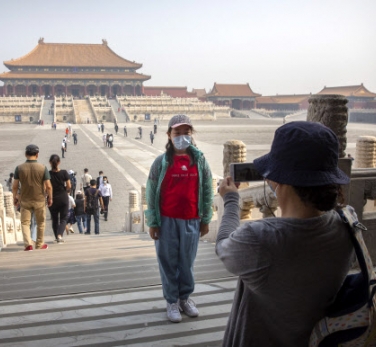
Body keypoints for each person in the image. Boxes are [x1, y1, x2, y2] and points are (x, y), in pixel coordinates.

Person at [216, 121, 354, 346]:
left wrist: (231, 200)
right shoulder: (347, 221)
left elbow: (222, 246)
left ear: (277, 179)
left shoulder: (260, 239)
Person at [145, 114, 214, 323]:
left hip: (192, 218)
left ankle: (185, 298)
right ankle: (171, 300)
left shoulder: (200, 160)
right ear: (169, 135)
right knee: (168, 262)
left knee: (187, 261)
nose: (182, 137)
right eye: (177, 133)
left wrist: (206, 218)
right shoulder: (161, 162)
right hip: (166, 220)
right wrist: (153, 222)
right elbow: (151, 190)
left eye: (186, 132)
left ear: (191, 135)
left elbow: (208, 189)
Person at [12, 144, 52, 251]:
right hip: (39, 199)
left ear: (26, 154)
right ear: (37, 155)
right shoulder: (43, 168)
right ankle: (39, 244)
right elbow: (48, 186)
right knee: (41, 223)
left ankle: (28, 244)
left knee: (25, 223)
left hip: (25, 200)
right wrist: (50, 198)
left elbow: (15, 186)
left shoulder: (19, 168)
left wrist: (14, 197)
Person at [48, 154, 71, 244]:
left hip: (52, 198)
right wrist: (65, 190)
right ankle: (59, 235)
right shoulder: (64, 172)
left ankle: (56, 236)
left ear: (50, 162)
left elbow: (46, 187)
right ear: (59, 162)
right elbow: (69, 185)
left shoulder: (48, 174)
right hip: (63, 197)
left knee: (54, 219)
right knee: (63, 218)